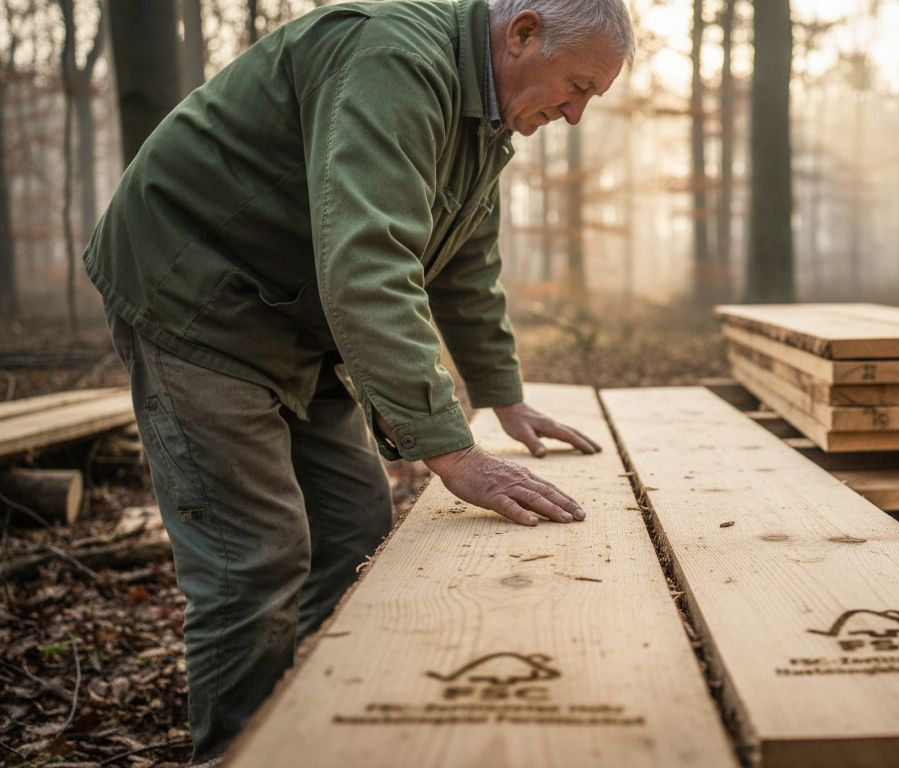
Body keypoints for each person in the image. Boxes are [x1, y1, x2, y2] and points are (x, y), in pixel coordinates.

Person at [82, 0, 633, 759]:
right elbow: (369, 264)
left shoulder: (483, 120)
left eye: (589, 100)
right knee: (254, 559)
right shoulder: (395, 61)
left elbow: (464, 263)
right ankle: (241, 752)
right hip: (195, 293)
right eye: (576, 87)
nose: (574, 115)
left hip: (295, 311)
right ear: (524, 32)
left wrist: (502, 396)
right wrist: (451, 450)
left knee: (356, 530)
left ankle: (326, 724)